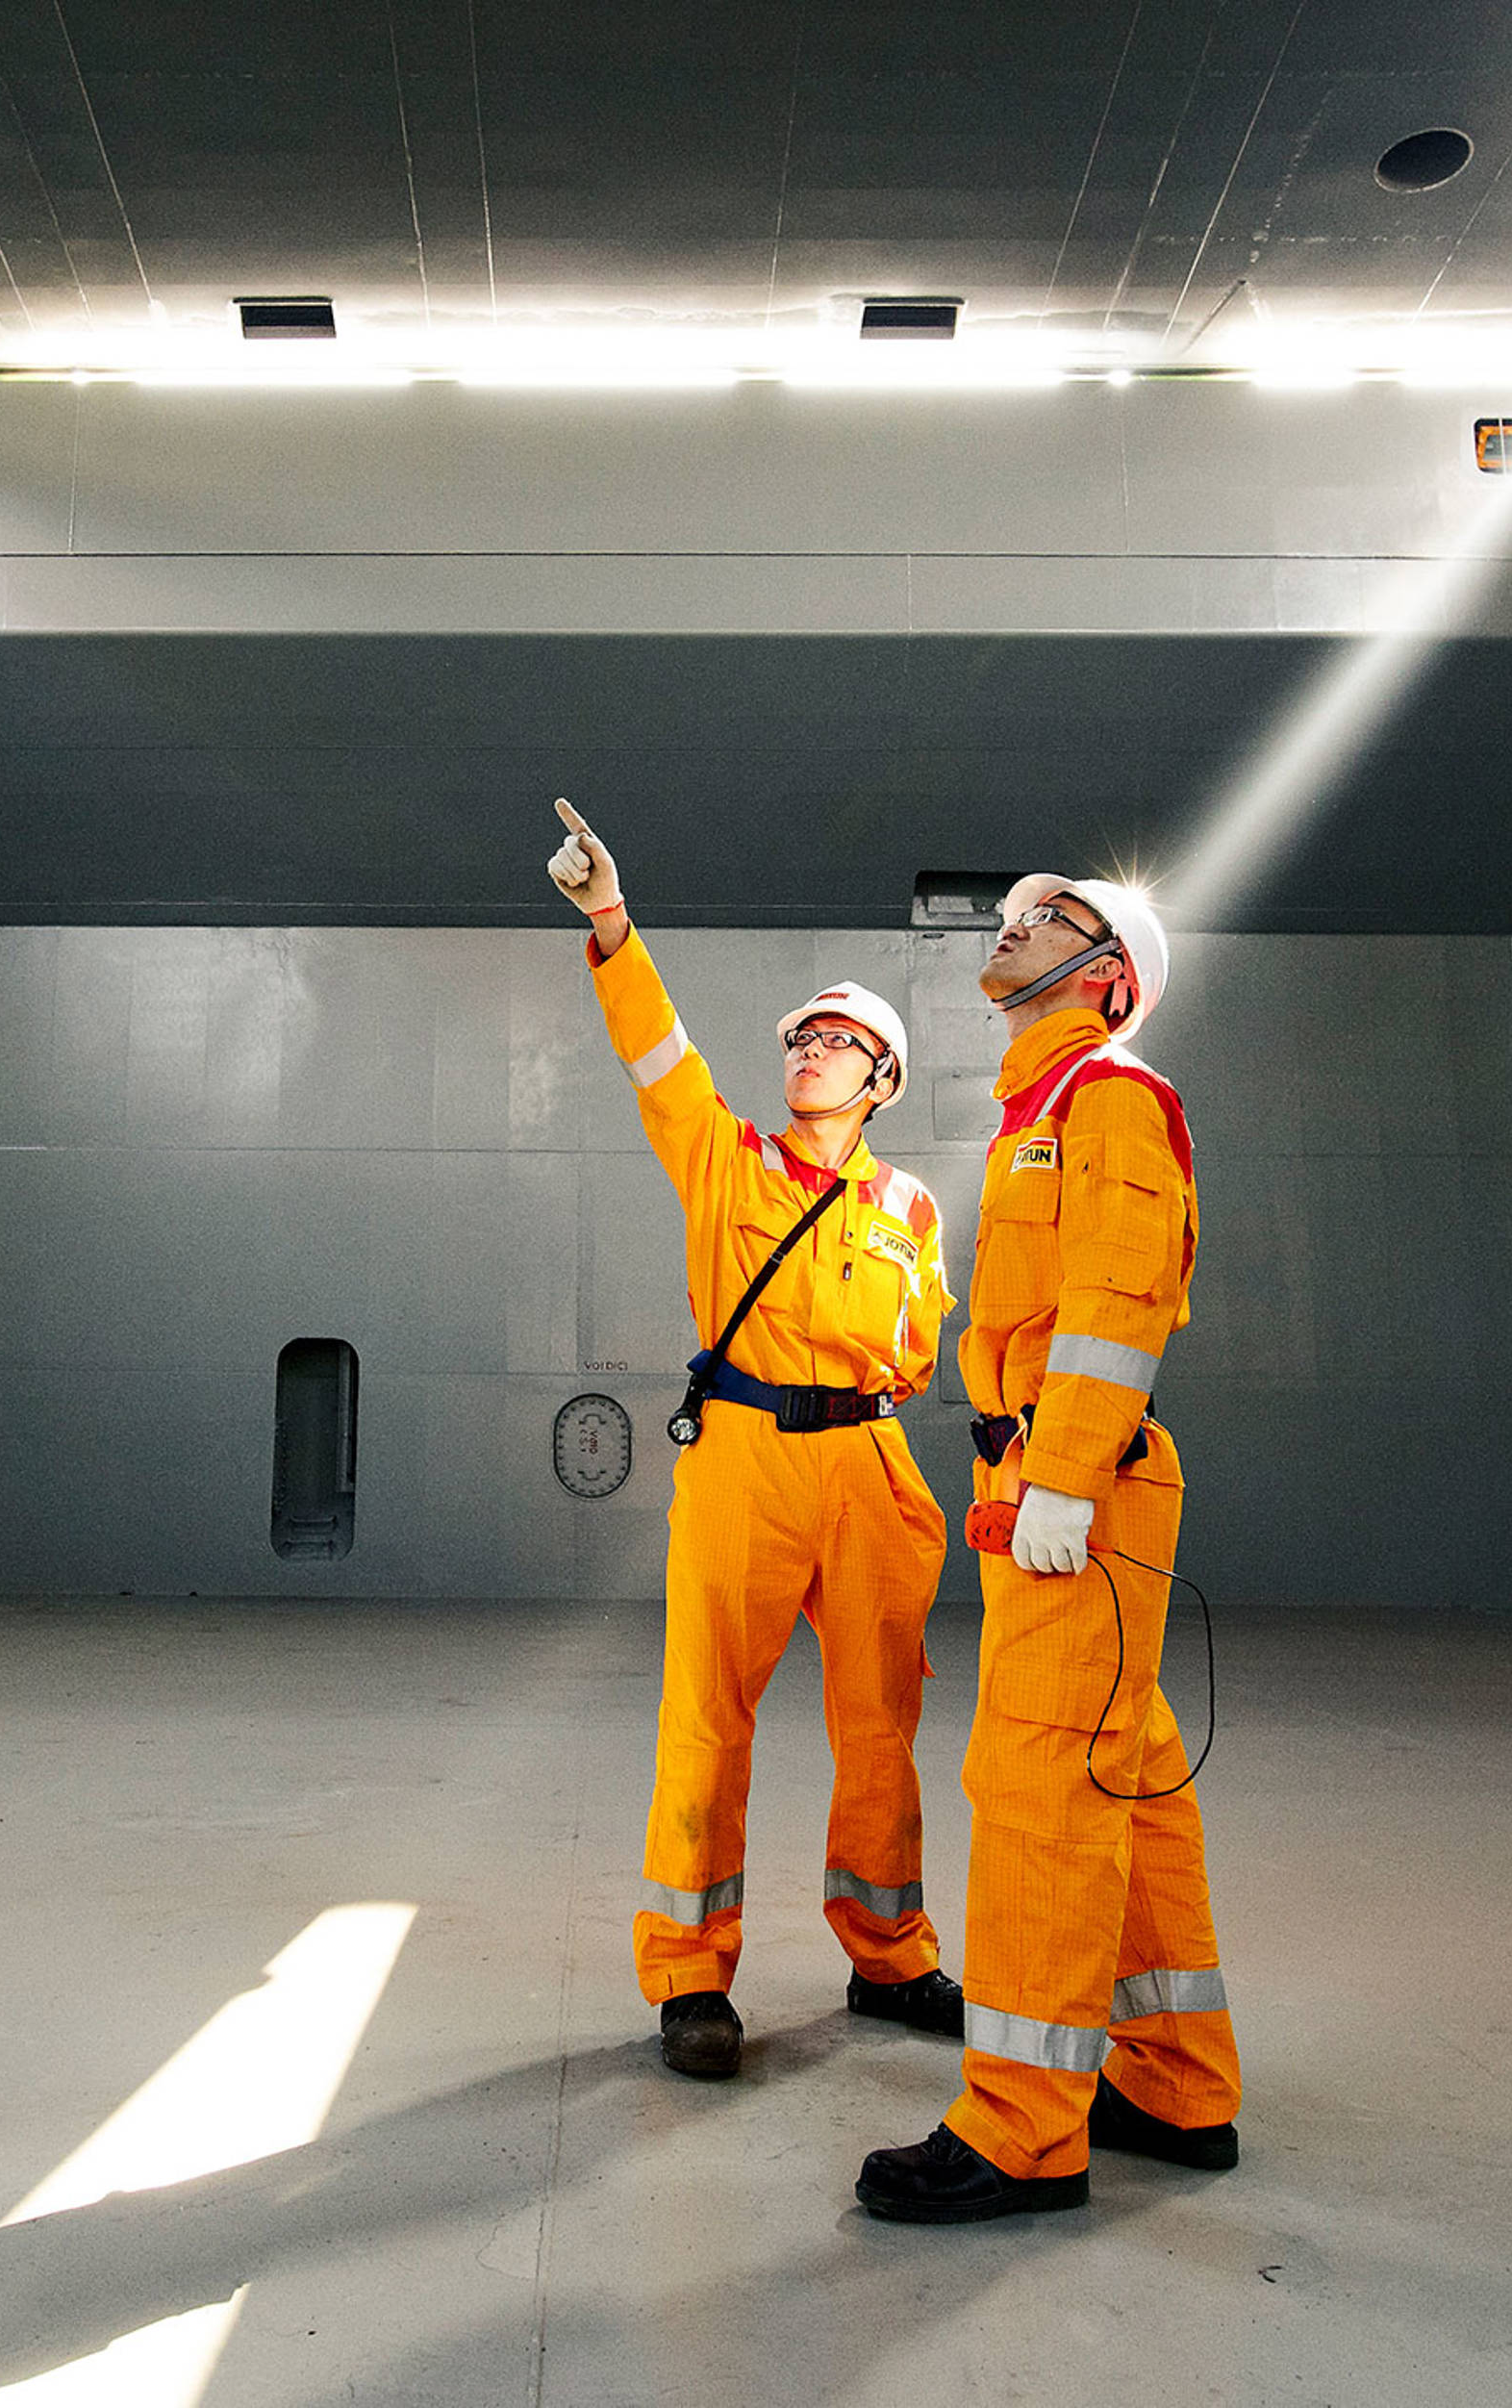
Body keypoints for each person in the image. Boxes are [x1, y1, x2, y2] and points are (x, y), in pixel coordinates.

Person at [546, 799, 961, 2079]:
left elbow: (920, 1347)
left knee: (881, 1723)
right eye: (800, 1040)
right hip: (745, 1457)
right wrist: (612, 923)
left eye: (837, 1044)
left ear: (881, 1081)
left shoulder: (913, 1209)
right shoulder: (725, 1164)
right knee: (706, 1718)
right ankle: (687, 1975)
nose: (808, 1055)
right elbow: (659, 1057)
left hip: (871, 1464)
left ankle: (889, 1955)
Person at [856, 875, 1242, 2221]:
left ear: (1109, 976)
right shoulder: (1037, 1111)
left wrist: (1064, 1479)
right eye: (1014, 907)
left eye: (1051, 914)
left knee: (1034, 1794)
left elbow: (1119, 1296)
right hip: (1041, 1481)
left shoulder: (1109, 1098)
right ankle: (1176, 2083)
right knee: (1123, 1778)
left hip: (1077, 1489)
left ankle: (1021, 2130)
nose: (1011, 921)